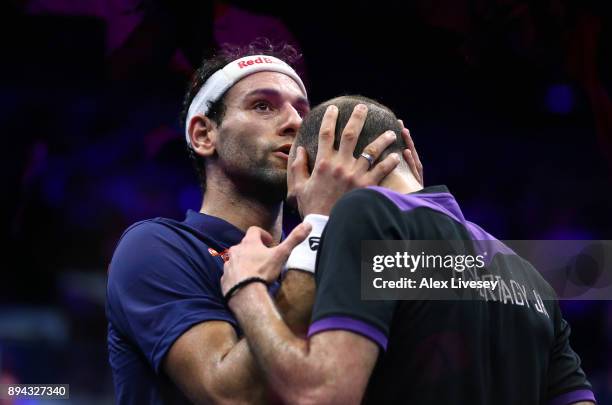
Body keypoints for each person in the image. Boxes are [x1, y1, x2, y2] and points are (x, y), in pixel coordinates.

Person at [221, 95, 597, 405]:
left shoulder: (365, 213)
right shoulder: (528, 274)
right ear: (409, 154)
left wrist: (247, 288)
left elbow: (322, 394)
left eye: (294, 196)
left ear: (306, 167)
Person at [105, 39, 422, 404]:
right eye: (262, 106)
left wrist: (414, 218)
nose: (296, 124)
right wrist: (320, 224)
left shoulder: (332, 253)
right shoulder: (154, 246)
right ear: (204, 135)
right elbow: (230, 395)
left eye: (303, 111)